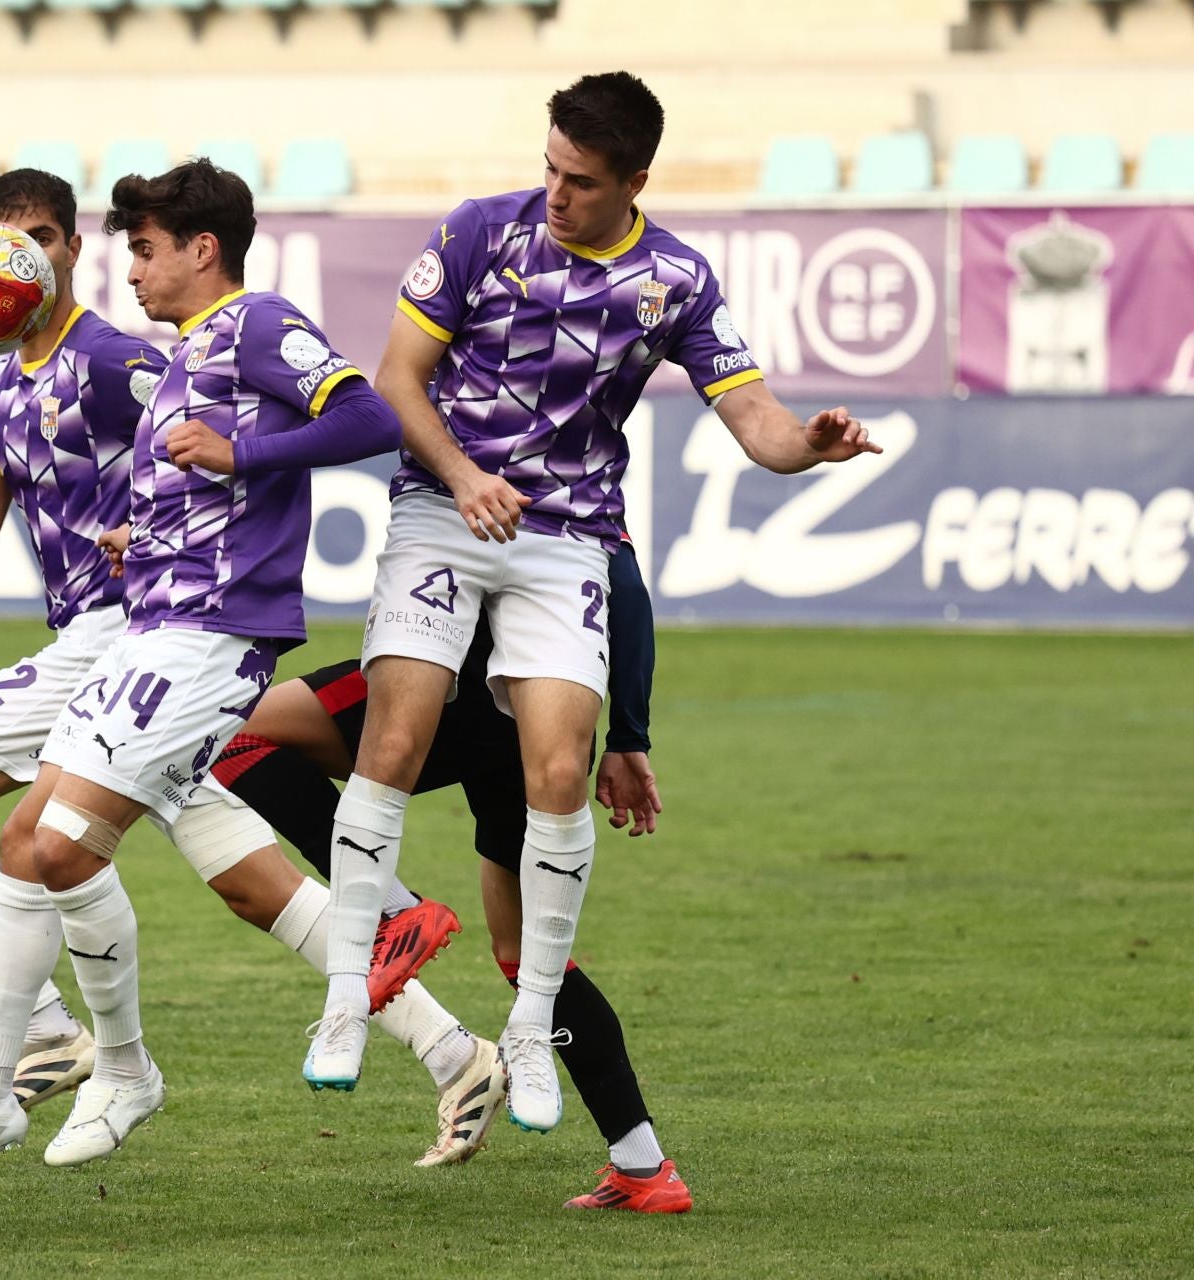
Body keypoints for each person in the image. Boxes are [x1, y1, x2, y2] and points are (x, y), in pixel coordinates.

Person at [0, 169, 479, 1174]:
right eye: (4, 244)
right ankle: (450, 1045)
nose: (22, 265)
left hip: (138, 634)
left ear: (71, 247)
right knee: (227, 878)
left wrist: (221, 477)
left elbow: (312, 432)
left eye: (45, 238)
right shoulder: (8, 377)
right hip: (142, 631)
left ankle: (62, 1052)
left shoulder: (126, 359)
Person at [312, 71, 884, 1130]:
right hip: (445, 509)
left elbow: (754, 417)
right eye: (550, 168)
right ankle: (348, 990)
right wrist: (466, 475)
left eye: (579, 180)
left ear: (634, 180)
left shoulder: (675, 278)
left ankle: (530, 1026)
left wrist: (807, 446)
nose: (556, 193)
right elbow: (397, 377)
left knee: (561, 771)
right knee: (392, 735)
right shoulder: (483, 232)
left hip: (566, 537)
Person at [214, 540, 690, 1212]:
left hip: (447, 684)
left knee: (229, 731)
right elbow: (628, 591)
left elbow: (623, 584)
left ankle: (394, 910)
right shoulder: (578, 477)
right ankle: (643, 1168)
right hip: (542, 717)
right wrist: (627, 733)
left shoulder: (498, 452)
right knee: (525, 955)